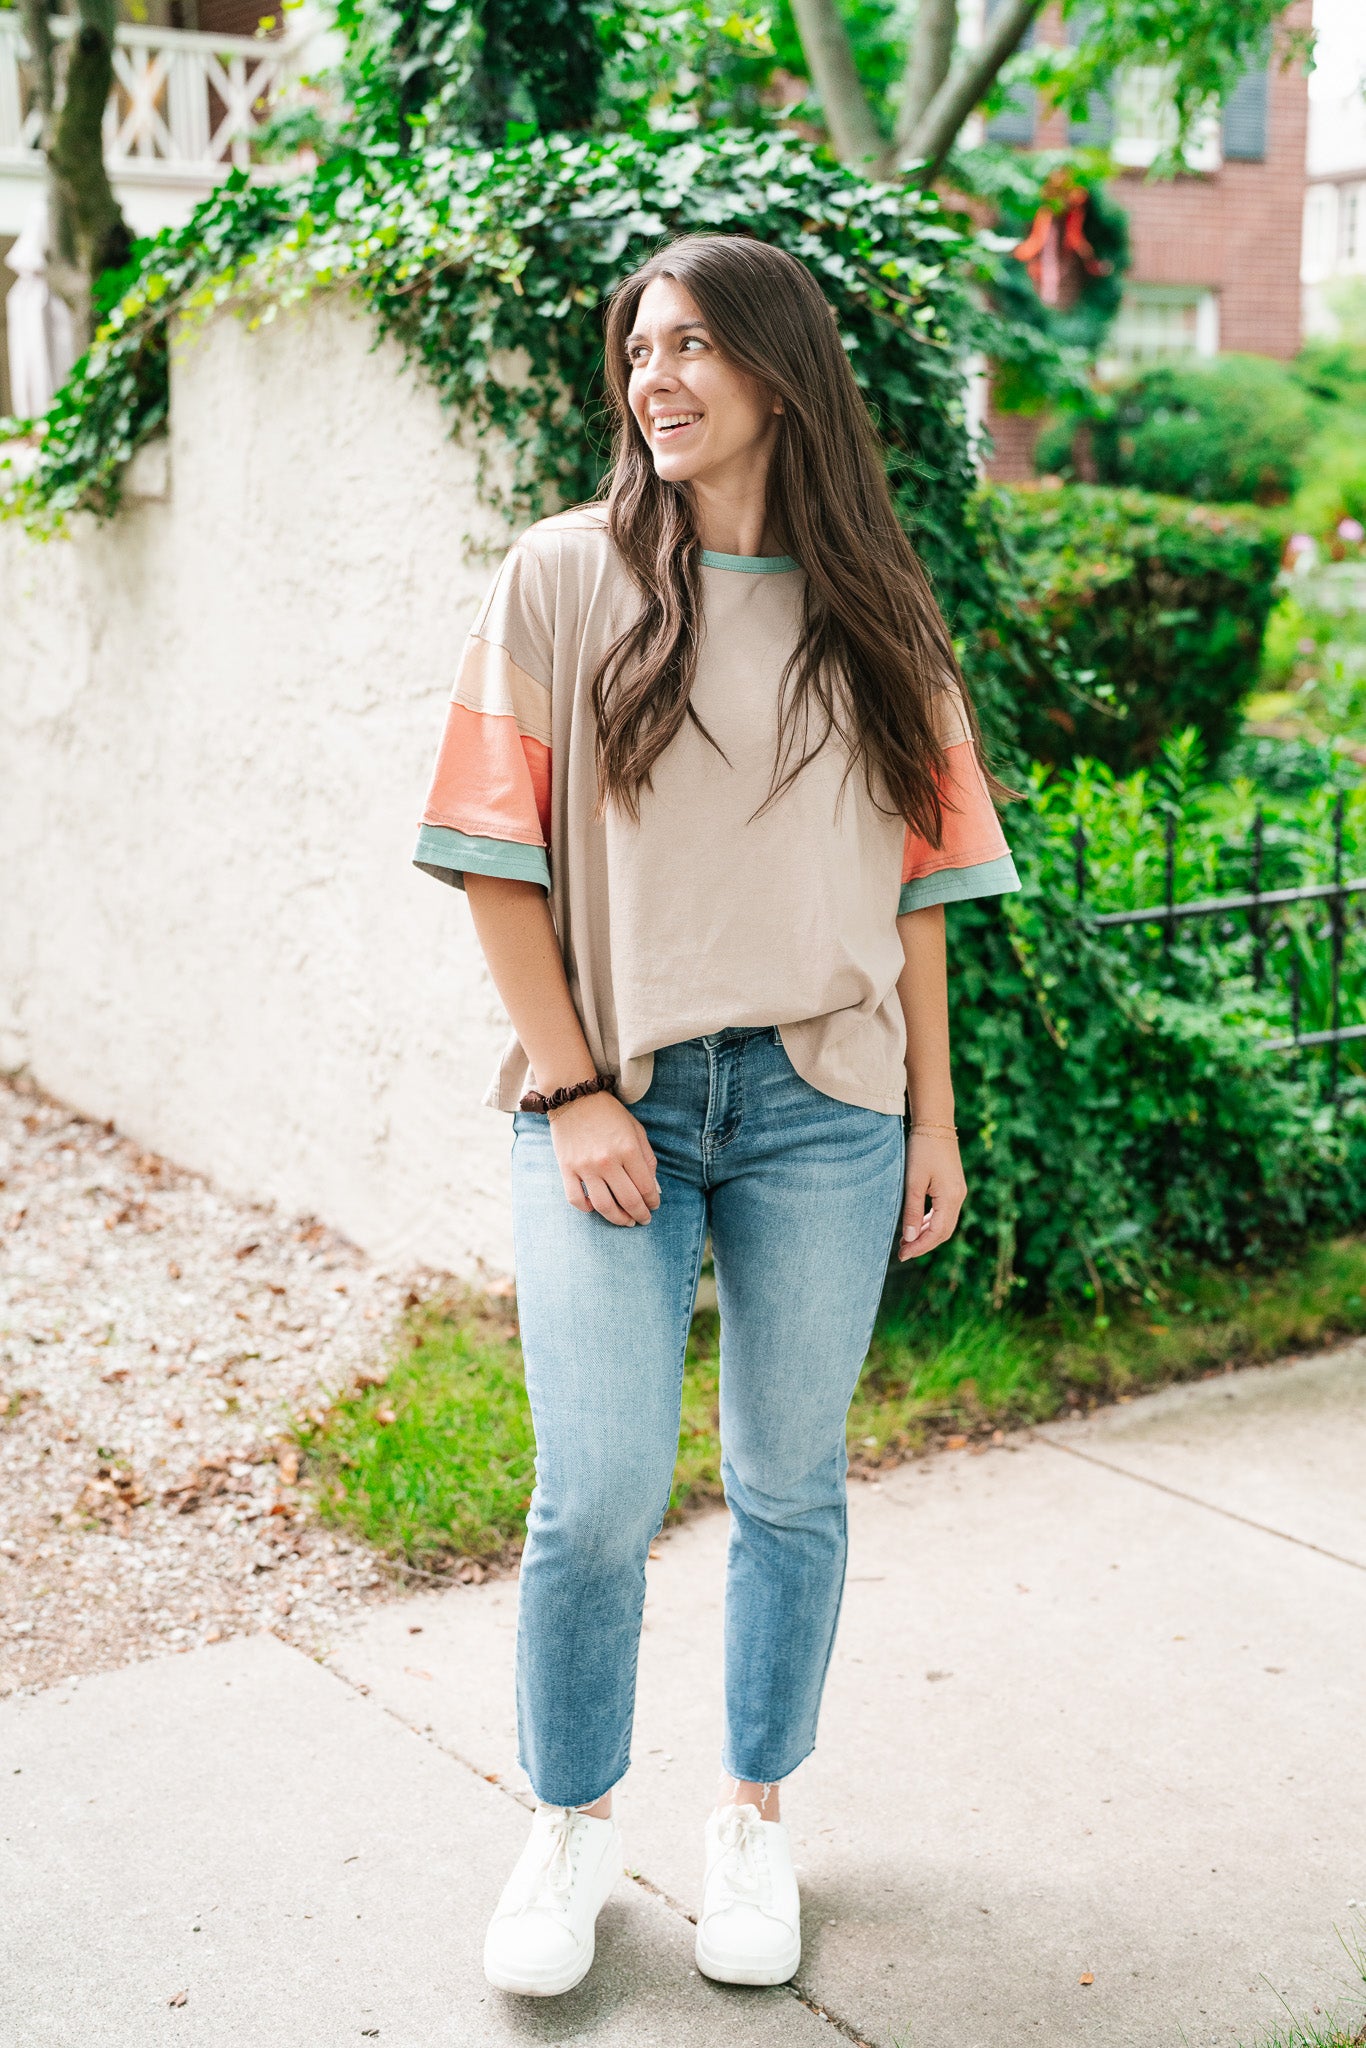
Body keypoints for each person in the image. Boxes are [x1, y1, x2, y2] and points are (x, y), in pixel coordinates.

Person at [413, 232, 1019, 2000]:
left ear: (777, 371)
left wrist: (934, 1118)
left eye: (689, 347)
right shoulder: (557, 579)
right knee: (593, 1496)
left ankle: (753, 1814)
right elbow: (493, 866)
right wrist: (582, 1090)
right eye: (637, 350)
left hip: (830, 1105)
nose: (653, 379)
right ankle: (568, 1825)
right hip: (619, 1106)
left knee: (788, 1486)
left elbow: (916, 888)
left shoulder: (881, 611)